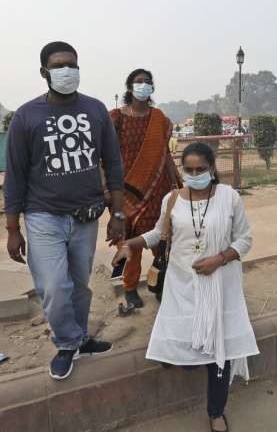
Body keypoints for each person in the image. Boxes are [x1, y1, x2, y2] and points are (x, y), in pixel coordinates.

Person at [113, 142, 257, 432]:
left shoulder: (228, 197)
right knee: (186, 351)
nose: (194, 174)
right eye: (188, 170)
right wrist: (131, 244)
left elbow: (244, 239)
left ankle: (216, 412)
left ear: (212, 168)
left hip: (219, 285)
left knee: (219, 349)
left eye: (200, 169)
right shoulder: (173, 199)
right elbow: (158, 233)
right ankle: (182, 360)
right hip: (180, 285)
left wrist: (219, 259)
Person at [4, 41, 125, 381]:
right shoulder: (27, 116)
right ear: (44, 72)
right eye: (59, 66)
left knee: (79, 285)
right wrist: (13, 229)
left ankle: (80, 337)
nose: (66, 71)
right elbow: (15, 175)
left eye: (72, 64)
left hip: (87, 216)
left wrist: (118, 214)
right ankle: (67, 342)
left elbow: (113, 164)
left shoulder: (96, 110)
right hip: (43, 215)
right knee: (55, 287)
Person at [108, 68, 182, 308]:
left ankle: (160, 283)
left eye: (148, 82)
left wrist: (177, 185)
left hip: (157, 190)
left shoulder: (159, 119)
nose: (143, 85)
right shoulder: (115, 118)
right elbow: (104, 157)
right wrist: (108, 191)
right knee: (131, 242)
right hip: (125, 193)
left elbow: (165, 155)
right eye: (138, 82)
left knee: (163, 240)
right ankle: (130, 288)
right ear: (129, 87)